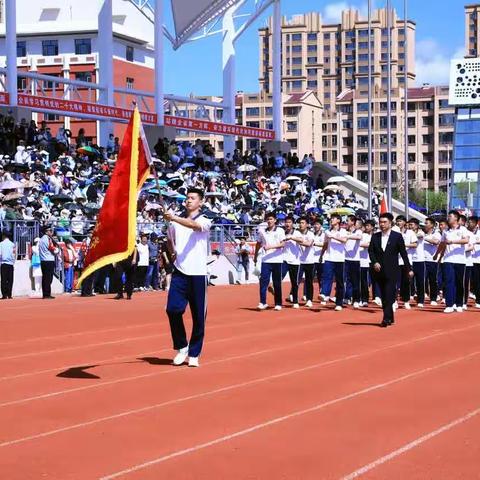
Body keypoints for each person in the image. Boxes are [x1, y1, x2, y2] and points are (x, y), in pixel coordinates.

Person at [164, 188, 212, 368]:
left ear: (200, 202)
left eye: (192, 198)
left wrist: (173, 218)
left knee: (199, 316)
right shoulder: (174, 223)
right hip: (180, 272)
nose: (188, 201)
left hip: (198, 274)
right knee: (173, 310)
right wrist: (172, 252)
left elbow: (195, 226)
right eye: (187, 198)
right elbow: (169, 240)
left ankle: (194, 353)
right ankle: (182, 346)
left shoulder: (205, 219)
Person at [369, 212, 413, 327]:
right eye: (380, 222)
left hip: (392, 270)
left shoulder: (396, 236)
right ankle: (390, 316)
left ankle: (386, 318)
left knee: (389, 293)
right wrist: (375, 262)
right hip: (378, 271)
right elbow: (371, 251)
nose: (382, 224)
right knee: (383, 295)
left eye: (385, 222)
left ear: (390, 223)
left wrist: (409, 268)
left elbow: (403, 253)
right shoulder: (375, 236)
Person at [434, 210, 469, 313]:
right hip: (448, 260)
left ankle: (459, 303)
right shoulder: (446, 231)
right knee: (448, 282)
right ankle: (449, 304)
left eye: (450, 216)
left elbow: (466, 240)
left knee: (459, 283)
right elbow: (442, 244)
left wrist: (453, 241)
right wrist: (437, 254)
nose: (448, 218)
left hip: (460, 260)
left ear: (456, 218)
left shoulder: (463, 229)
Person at [254, 212, 285, 311]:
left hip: (277, 260)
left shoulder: (280, 230)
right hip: (265, 260)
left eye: (271, 219)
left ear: (275, 220)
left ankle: (278, 303)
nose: (269, 221)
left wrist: (271, 247)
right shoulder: (262, 231)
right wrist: (255, 256)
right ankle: (263, 302)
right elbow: (258, 244)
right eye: (268, 219)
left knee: (277, 282)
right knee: (263, 282)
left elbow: (283, 244)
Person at [320, 214, 348, 311]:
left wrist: (333, 237)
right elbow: (325, 244)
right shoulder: (328, 231)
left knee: (340, 281)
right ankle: (324, 294)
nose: (331, 220)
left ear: (338, 220)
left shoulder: (343, 231)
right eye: (331, 219)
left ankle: (339, 302)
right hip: (329, 257)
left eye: (333, 219)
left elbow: (344, 240)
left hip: (340, 259)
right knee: (326, 276)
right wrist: (321, 255)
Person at [281, 215, 302, 308]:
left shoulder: (297, 233)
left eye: (289, 222)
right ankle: (276, 297)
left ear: (293, 224)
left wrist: (291, 238)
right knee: (279, 276)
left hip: (295, 261)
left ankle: (295, 301)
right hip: (284, 259)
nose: (287, 224)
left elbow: (301, 240)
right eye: (286, 222)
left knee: (294, 282)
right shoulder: (282, 232)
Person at [344, 215, 363, 309]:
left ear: (352, 222)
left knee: (355, 281)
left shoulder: (358, 231)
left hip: (355, 260)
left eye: (347, 220)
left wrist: (348, 236)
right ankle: (347, 297)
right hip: (345, 259)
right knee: (347, 280)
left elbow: (359, 237)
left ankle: (356, 299)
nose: (346, 222)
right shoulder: (345, 232)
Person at [297, 217, 315, 307]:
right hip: (299, 261)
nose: (301, 224)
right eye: (300, 223)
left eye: (303, 223)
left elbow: (309, 244)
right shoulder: (296, 233)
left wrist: (298, 241)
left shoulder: (311, 234)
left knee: (309, 281)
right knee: (296, 280)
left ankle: (309, 299)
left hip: (309, 261)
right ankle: (294, 297)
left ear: (307, 224)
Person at [423, 217, 441, 306]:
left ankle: (433, 298)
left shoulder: (436, 234)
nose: (425, 225)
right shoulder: (422, 233)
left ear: (432, 225)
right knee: (422, 279)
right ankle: (421, 297)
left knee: (433, 280)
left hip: (432, 260)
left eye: (427, 223)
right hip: (422, 260)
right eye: (425, 223)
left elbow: (436, 242)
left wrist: (425, 238)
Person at [408, 218, 426, 308]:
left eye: (412, 225)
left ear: (417, 225)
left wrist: (410, 235)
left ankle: (421, 300)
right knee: (409, 280)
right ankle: (409, 296)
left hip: (419, 260)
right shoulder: (407, 233)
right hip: (410, 259)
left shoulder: (421, 232)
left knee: (420, 281)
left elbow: (419, 236)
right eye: (409, 225)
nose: (410, 226)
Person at [38, 226, 58, 299]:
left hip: (44, 260)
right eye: (50, 230)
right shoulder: (47, 239)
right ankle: (46, 294)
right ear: (46, 231)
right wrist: (57, 250)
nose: (51, 232)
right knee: (48, 278)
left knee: (46, 278)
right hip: (48, 260)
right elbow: (51, 248)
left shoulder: (42, 239)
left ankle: (46, 293)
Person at [360, 220, 375, 307]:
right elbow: (360, 244)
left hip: (374, 261)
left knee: (375, 281)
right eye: (366, 226)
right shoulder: (363, 235)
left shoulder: (376, 235)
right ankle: (364, 299)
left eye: (368, 226)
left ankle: (376, 297)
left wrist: (368, 244)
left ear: (372, 227)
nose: (367, 227)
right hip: (364, 261)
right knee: (364, 281)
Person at [0, 232, 16, 299]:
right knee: (10, 279)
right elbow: (14, 254)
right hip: (10, 264)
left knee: (3, 279)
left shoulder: (1, 244)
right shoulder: (12, 244)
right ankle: (9, 294)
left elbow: (0, 254)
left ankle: (4, 295)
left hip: (3, 263)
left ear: (4, 236)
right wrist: (13, 262)